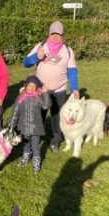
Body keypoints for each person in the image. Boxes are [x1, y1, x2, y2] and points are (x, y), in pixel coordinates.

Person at [23, 21, 79, 153]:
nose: (55, 37)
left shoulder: (68, 51)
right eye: (53, 34)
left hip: (59, 90)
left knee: (57, 117)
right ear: (49, 35)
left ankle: (55, 141)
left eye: (58, 34)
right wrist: (37, 57)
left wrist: (74, 88)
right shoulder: (41, 46)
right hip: (40, 90)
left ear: (63, 36)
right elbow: (25, 63)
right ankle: (34, 140)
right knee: (38, 116)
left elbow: (72, 71)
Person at [9, 75, 51, 174]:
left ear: (37, 87)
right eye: (29, 85)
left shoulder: (39, 97)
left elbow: (46, 106)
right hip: (23, 128)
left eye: (33, 86)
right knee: (26, 145)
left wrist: (45, 93)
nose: (31, 88)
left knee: (35, 146)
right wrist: (11, 126)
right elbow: (15, 113)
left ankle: (36, 161)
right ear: (26, 86)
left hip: (36, 128)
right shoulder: (20, 98)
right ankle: (26, 157)